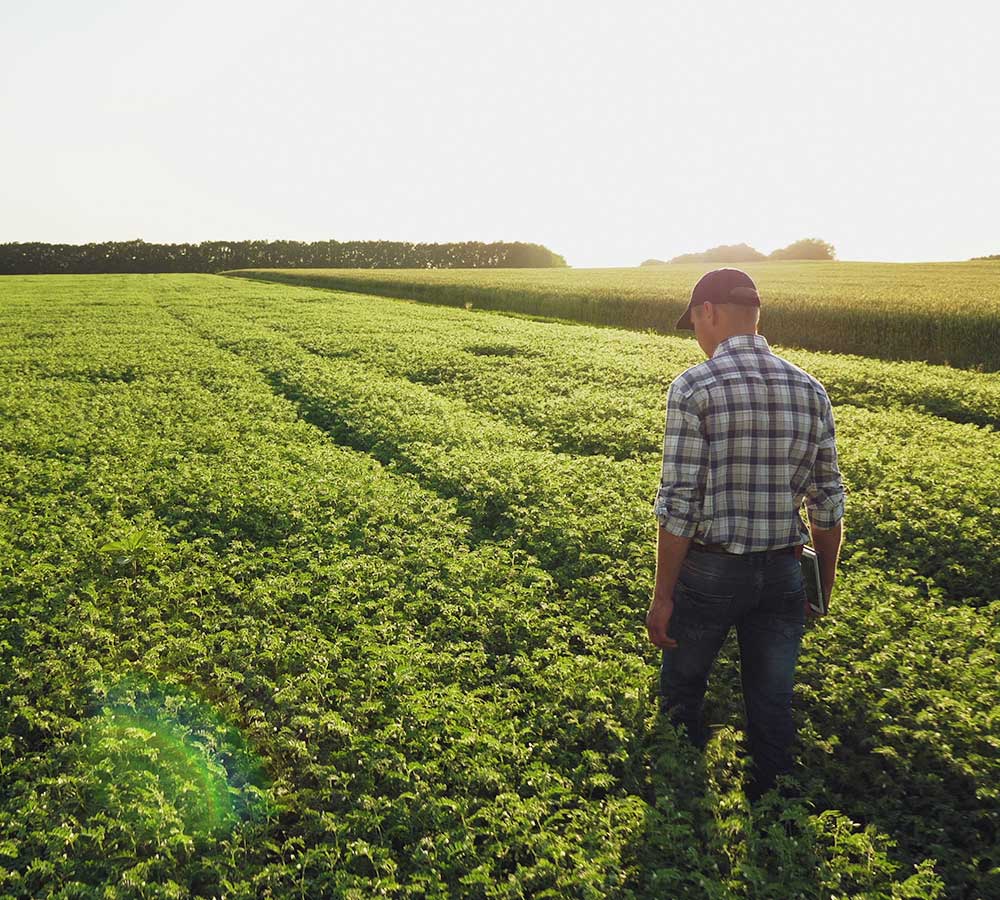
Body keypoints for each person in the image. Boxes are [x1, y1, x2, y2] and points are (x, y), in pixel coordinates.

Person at [646, 268, 844, 802]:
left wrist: (663, 596)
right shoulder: (810, 389)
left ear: (707, 312)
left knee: (684, 687)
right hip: (784, 571)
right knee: (772, 700)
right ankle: (770, 808)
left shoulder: (694, 386)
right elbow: (827, 502)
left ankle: (679, 801)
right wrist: (818, 588)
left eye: (693, 322)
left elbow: (680, 503)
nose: (696, 334)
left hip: (711, 570)